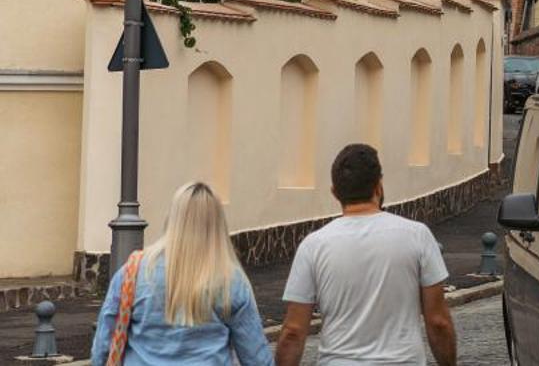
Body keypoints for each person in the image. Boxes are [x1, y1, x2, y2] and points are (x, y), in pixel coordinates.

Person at [274, 144, 456, 366]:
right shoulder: (417, 236)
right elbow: (438, 322)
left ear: (335, 193)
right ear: (378, 187)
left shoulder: (313, 246)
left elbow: (293, 331)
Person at [90, 181, 273, 366]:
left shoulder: (134, 272)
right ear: (218, 224)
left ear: (172, 218)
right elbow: (257, 357)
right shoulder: (230, 281)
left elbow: (103, 346)